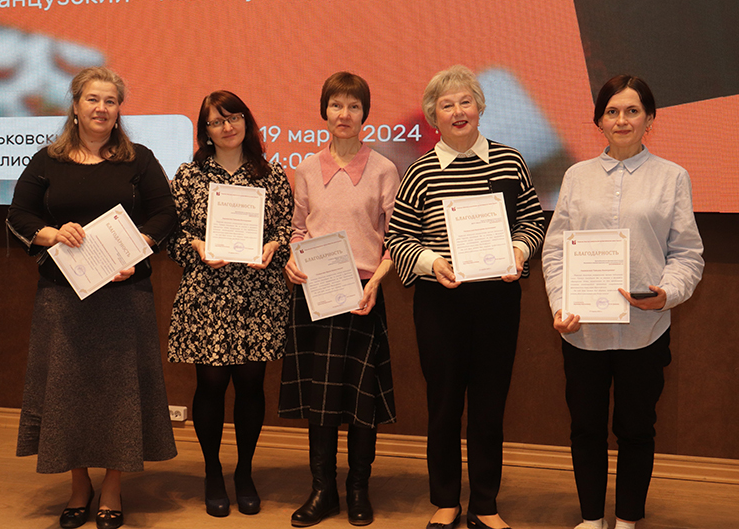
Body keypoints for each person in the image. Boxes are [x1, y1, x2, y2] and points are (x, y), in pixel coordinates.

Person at [7, 66, 178, 529]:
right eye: (93, 99)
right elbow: (19, 214)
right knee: (68, 393)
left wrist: (138, 247)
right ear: (75, 106)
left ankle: (113, 487)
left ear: (119, 110)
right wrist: (52, 234)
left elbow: (165, 213)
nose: (102, 108)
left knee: (119, 394)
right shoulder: (47, 160)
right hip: (63, 299)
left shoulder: (139, 160)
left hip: (124, 296)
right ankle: (78, 486)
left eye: (110, 101)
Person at [385, 65, 545, 529]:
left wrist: (518, 251)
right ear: (433, 116)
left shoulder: (510, 161)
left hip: (497, 300)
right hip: (440, 303)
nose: (458, 111)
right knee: (444, 404)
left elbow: (533, 221)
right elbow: (399, 238)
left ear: (480, 106)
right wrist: (432, 262)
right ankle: (446, 501)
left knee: (490, 405)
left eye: (465, 101)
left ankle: (486, 504)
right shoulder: (419, 171)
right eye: (446, 105)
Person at [542, 75, 704, 529]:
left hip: (644, 330)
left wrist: (667, 294)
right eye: (612, 111)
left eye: (632, 111)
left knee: (636, 430)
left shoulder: (672, 177)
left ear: (650, 118)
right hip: (583, 332)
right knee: (586, 429)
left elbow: (687, 254)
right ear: (599, 120)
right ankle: (592, 519)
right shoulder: (576, 176)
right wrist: (560, 306)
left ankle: (628, 518)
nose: (622, 120)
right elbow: (555, 252)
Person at [278, 72, 399, 527]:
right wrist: (292, 261)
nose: (343, 114)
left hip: (362, 295)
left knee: (361, 401)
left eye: (353, 106)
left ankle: (358, 489)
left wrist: (376, 283)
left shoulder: (384, 169)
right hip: (315, 295)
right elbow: (297, 230)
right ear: (324, 111)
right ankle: (322, 489)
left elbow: (395, 239)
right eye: (335, 105)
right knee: (322, 399)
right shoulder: (307, 169)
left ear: (365, 113)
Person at [167, 91, 293, 518]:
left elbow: (287, 229)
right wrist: (197, 247)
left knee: (252, 385)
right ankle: (212, 472)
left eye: (234, 117)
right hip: (208, 295)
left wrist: (275, 246)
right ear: (205, 131)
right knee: (211, 385)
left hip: (258, 295)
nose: (227, 127)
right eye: (217, 121)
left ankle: (244, 472)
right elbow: (172, 235)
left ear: (247, 121)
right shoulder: (189, 175)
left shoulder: (271, 175)